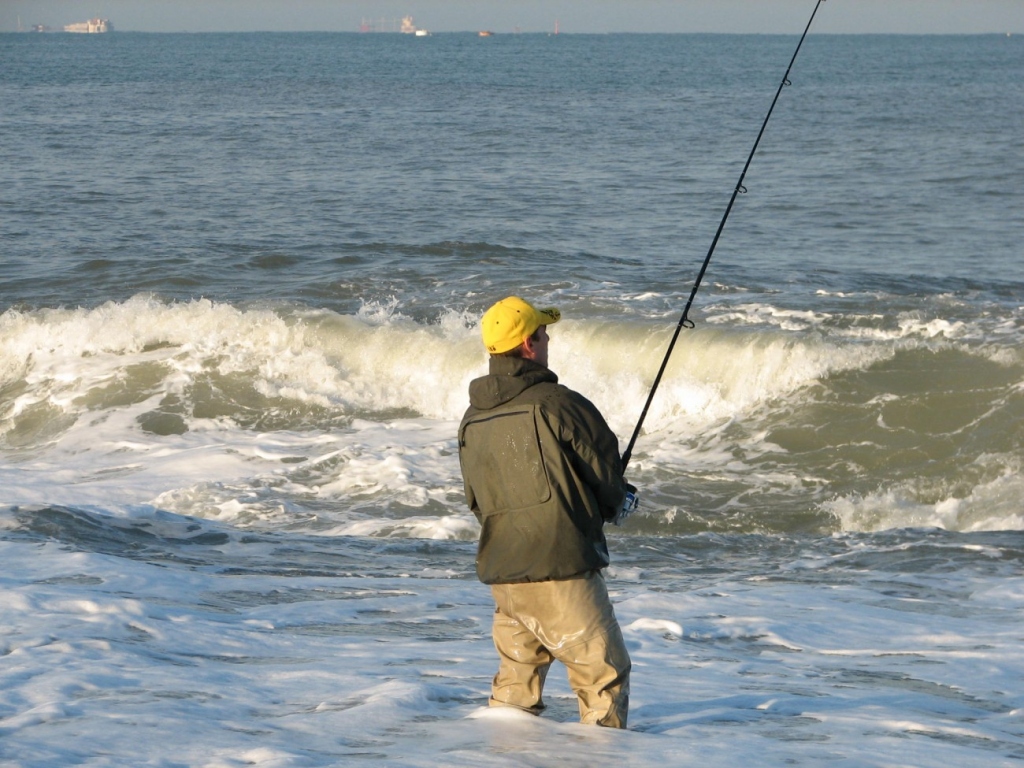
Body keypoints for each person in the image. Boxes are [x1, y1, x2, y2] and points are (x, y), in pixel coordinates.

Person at [457, 296, 636, 728]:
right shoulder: (559, 403)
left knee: (514, 695)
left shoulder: (470, 418)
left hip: (506, 577)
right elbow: (605, 472)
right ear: (528, 345)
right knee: (603, 681)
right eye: (542, 331)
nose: (548, 336)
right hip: (563, 570)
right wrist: (619, 502)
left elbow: (477, 501)